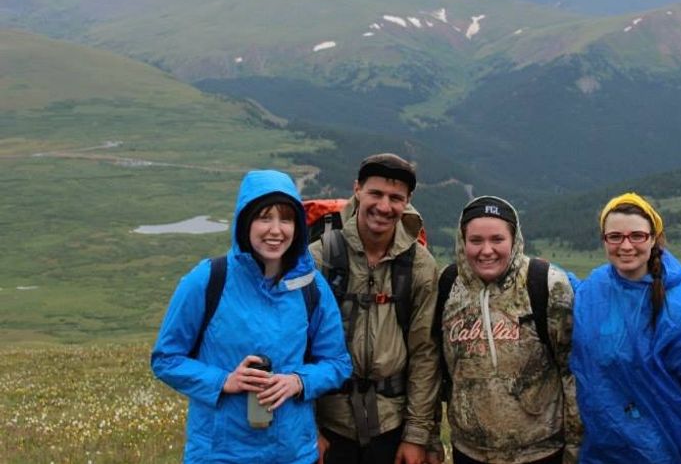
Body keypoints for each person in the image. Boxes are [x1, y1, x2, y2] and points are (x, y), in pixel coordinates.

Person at [151, 169, 353, 464]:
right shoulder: (208, 280)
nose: (276, 230)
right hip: (219, 454)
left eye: (286, 218)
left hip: (292, 452)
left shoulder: (311, 286)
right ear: (245, 222)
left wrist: (298, 381)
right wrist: (224, 381)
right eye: (264, 217)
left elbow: (337, 363)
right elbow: (165, 359)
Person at [570, 192, 681, 464]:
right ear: (604, 240)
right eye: (615, 237)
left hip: (671, 453)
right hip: (606, 454)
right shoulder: (594, 290)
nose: (626, 246)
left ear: (653, 239)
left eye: (637, 236)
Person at [310, 153, 441, 464]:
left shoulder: (419, 265)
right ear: (358, 189)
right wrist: (307, 428)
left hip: (392, 427)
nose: (384, 207)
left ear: (407, 201)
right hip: (330, 427)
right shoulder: (320, 258)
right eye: (376, 193)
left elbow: (425, 354)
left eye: (396, 198)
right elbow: (297, 348)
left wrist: (417, 436)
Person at [436, 195, 581, 464]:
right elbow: (435, 369)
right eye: (476, 241)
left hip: (541, 452)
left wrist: (575, 447)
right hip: (469, 451)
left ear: (514, 241)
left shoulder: (546, 284)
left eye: (497, 240)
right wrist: (431, 435)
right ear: (462, 242)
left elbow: (572, 371)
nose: (486, 250)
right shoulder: (448, 286)